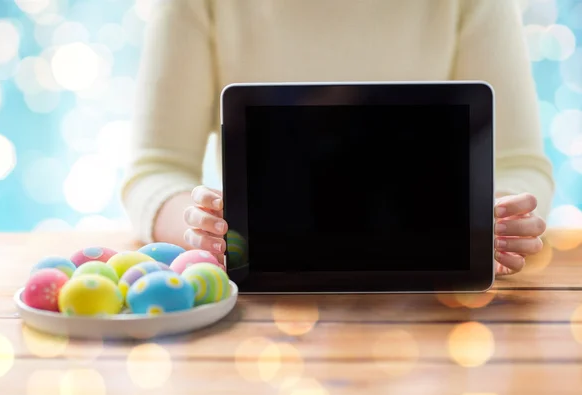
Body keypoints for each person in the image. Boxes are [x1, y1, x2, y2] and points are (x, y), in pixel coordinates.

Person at [121, 0, 554, 276]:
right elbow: (155, 170)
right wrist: (199, 229)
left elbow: (519, 164)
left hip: (429, 288)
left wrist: (501, 215)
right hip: (264, 296)